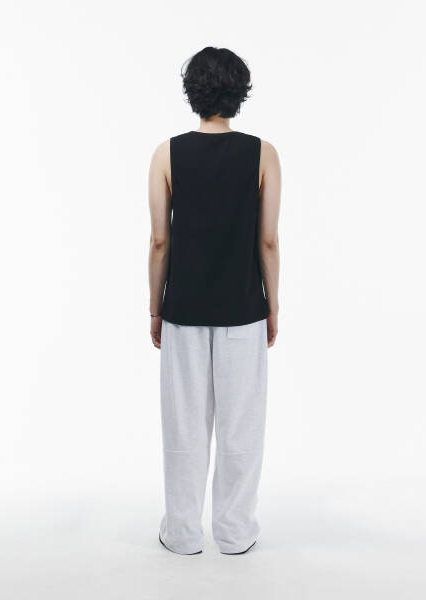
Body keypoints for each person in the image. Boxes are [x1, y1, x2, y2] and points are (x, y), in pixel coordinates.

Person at [148, 46, 281, 555]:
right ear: (239, 92)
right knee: (241, 425)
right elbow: (268, 240)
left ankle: (182, 534)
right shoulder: (263, 154)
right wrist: (273, 305)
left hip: (183, 309)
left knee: (184, 426)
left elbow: (160, 240)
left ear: (193, 93)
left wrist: (155, 307)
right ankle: (235, 532)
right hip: (243, 309)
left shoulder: (166, 154)